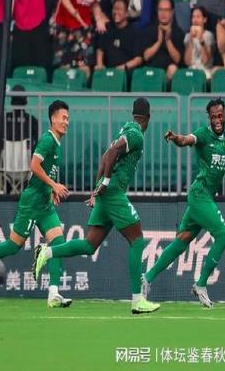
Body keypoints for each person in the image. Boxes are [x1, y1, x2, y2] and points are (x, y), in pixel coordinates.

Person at [34, 98, 160, 315]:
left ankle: (47, 252)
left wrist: (97, 188)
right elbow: (111, 154)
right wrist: (107, 183)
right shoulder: (136, 134)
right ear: (147, 118)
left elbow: (105, 156)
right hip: (114, 192)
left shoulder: (125, 129)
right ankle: (137, 300)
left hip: (105, 191)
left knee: (90, 244)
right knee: (137, 240)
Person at [0, 101, 72, 308]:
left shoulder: (57, 143)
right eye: (63, 118)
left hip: (44, 203)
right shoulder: (47, 140)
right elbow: (33, 165)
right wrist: (54, 185)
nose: (66, 122)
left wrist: (51, 189)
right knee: (14, 245)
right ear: (53, 119)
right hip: (32, 202)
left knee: (58, 244)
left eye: (68, 119)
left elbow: (46, 170)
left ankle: (53, 293)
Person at [142, 99, 225, 308]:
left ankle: (146, 278)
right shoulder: (203, 134)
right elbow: (186, 140)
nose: (217, 120)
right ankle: (200, 284)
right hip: (200, 195)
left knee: (181, 241)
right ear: (208, 117)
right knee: (222, 237)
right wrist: (176, 138)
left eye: (220, 115)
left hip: (204, 197)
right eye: (213, 116)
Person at [52, 0, 109, 82]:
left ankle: (82, 88)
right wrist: (75, 14)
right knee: (64, 64)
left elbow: (94, 4)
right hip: (64, 23)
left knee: (85, 63)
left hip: (83, 27)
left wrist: (98, 18)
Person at [95, 0, 143, 75]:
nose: (116, 12)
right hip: (107, 72)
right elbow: (100, 49)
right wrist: (100, 64)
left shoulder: (134, 32)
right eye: (115, 9)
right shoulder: (106, 28)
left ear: (126, 13)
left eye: (120, 9)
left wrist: (124, 67)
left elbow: (138, 59)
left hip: (124, 73)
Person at [142, 0, 184, 85]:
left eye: (166, 10)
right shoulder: (148, 30)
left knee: (173, 69)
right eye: (160, 10)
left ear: (172, 12)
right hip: (151, 71)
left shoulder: (178, 32)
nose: (163, 13)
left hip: (169, 74)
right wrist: (159, 42)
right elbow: (146, 56)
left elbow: (177, 59)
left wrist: (168, 40)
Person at [184, 6, 215, 79]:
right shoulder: (188, 36)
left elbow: (206, 61)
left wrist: (201, 40)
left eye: (198, 17)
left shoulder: (209, 35)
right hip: (191, 70)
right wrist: (191, 40)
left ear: (204, 19)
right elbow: (187, 62)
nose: (195, 20)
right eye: (193, 17)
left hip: (205, 70)